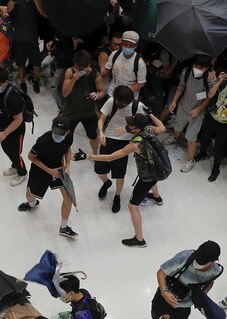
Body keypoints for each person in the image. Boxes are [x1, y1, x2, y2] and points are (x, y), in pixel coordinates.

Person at [84, 112, 168, 247]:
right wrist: (151, 114)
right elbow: (162, 127)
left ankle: (139, 239)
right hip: (156, 170)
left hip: (147, 177)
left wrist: (88, 157)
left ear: (137, 129)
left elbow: (110, 157)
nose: (128, 126)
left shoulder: (135, 144)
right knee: (152, 179)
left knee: (132, 206)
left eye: (130, 125)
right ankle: (157, 197)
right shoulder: (149, 130)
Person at [17, 116, 78, 239]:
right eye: (55, 132)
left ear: (67, 132)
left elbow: (67, 149)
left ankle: (64, 227)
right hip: (40, 169)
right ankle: (32, 204)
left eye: (61, 133)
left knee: (68, 198)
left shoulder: (69, 137)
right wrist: (49, 171)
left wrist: (67, 166)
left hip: (58, 168)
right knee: (29, 196)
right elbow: (30, 156)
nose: (57, 135)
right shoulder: (43, 140)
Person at [94, 85, 150, 213]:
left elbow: (141, 125)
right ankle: (106, 183)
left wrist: (126, 130)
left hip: (125, 142)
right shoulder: (111, 101)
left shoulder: (137, 106)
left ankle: (117, 196)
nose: (120, 105)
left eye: (123, 104)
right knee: (99, 169)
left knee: (119, 173)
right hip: (107, 137)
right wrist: (101, 131)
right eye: (118, 102)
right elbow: (102, 118)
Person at [194, 60, 227, 182]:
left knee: (220, 145)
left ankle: (215, 169)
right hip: (213, 115)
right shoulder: (223, 81)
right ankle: (202, 153)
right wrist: (218, 81)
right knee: (205, 136)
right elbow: (210, 95)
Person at [167, 54, 215, 173]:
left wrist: (198, 109)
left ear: (207, 68)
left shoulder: (210, 79)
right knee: (177, 126)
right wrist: (174, 100)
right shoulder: (186, 71)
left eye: (201, 67)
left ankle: (190, 160)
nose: (197, 69)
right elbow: (181, 86)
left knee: (191, 137)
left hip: (198, 112)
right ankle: (176, 137)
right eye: (195, 65)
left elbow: (209, 97)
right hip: (183, 106)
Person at [61, 50, 105, 155]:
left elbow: (102, 91)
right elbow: (64, 94)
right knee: (66, 137)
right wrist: (73, 80)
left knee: (93, 136)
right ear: (75, 64)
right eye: (78, 68)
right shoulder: (70, 72)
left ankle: (95, 154)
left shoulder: (95, 75)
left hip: (88, 112)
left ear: (88, 65)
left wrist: (97, 95)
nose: (80, 70)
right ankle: (66, 158)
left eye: (83, 68)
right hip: (70, 111)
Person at [8, 0, 46, 93]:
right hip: (18, 40)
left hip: (32, 40)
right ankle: (22, 82)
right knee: (20, 65)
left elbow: (42, 11)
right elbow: (9, 10)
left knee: (37, 64)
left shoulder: (36, 3)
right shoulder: (17, 3)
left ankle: (35, 80)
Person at [101, 30, 146, 98]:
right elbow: (106, 71)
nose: (127, 47)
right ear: (122, 43)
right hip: (112, 93)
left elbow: (141, 83)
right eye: (125, 44)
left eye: (131, 45)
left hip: (128, 97)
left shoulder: (139, 62)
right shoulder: (114, 54)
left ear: (136, 45)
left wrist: (125, 92)